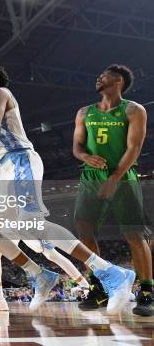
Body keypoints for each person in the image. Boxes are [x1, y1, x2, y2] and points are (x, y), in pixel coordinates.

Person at [0, 66, 136, 314]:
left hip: (20, 160)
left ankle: (111, 272)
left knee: (31, 225)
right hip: (5, 168)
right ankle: (40, 275)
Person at [72, 64, 152, 316]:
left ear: (118, 81)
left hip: (123, 175)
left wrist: (115, 177)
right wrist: (86, 157)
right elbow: (77, 147)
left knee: (133, 235)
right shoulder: (84, 112)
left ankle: (147, 292)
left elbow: (134, 148)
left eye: (103, 75)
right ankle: (100, 287)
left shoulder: (133, 109)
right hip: (90, 177)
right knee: (83, 231)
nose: (98, 78)